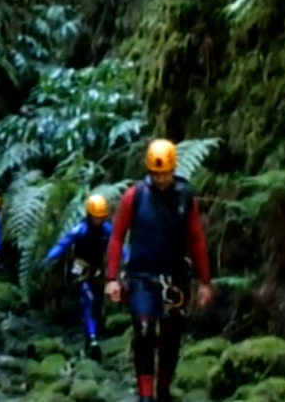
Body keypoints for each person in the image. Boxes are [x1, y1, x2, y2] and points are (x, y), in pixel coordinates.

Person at [104, 138, 214, 402]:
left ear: (173, 170)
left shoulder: (184, 197)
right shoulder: (136, 195)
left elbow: (196, 239)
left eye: (165, 174)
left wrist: (205, 281)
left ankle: (163, 390)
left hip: (175, 278)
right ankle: (145, 396)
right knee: (144, 331)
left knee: (170, 337)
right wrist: (111, 278)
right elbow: (117, 236)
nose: (160, 179)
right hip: (142, 276)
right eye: (155, 174)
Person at [37, 194, 112, 361]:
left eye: (102, 217)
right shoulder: (80, 230)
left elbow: (118, 245)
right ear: (89, 215)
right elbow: (62, 245)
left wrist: (128, 258)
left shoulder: (107, 229)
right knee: (88, 298)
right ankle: (92, 339)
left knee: (97, 303)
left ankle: (90, 334)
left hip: (97, 271)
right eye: (96, 217)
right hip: (80, 270)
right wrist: (47, 260)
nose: (99, 221)